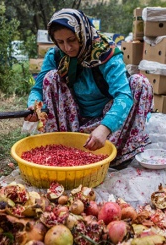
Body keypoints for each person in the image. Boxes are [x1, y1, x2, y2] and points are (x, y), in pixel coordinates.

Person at [25, 8, 153, 168]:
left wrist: (105, 128)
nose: (68, 47)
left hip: (109, 121)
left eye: (72, 39)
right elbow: (37, 89)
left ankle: (118, 154)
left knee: (140, 84)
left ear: (83, 34)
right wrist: (35, 106)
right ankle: (64, 147)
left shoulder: (106, 53)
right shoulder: (56, 56)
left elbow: (123, 95)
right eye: (60, 42)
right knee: (51, 77)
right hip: (72, 120)